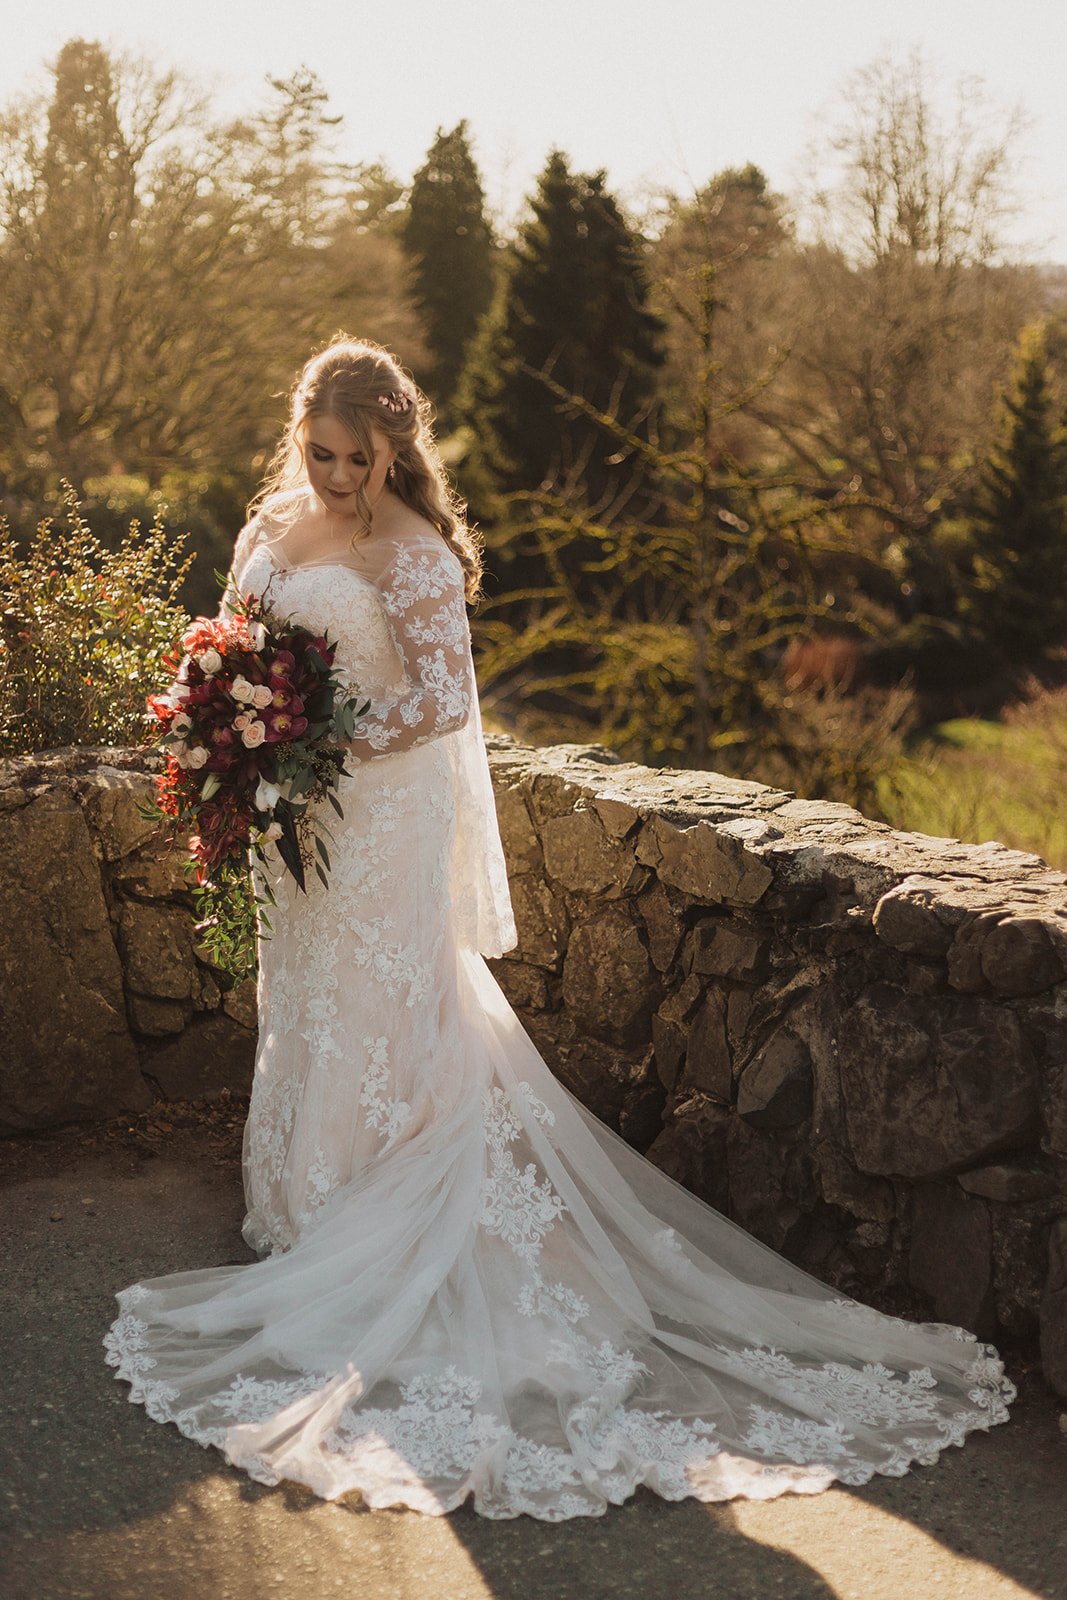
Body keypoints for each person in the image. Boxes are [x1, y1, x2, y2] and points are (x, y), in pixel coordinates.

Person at [105, 337, 1013, 1521]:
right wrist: (232, 725)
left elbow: (441, 700)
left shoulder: (413, 551)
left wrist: (301, 738)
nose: (334, 477)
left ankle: (373, 1211)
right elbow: (235, 637)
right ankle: (298, 1202)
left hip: (378, 815)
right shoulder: (274, 521)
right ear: (299, 437)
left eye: (356, 458)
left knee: (383, 1000)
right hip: (295, 815)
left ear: (393, 450)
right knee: (310, 988)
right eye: (320, 453)